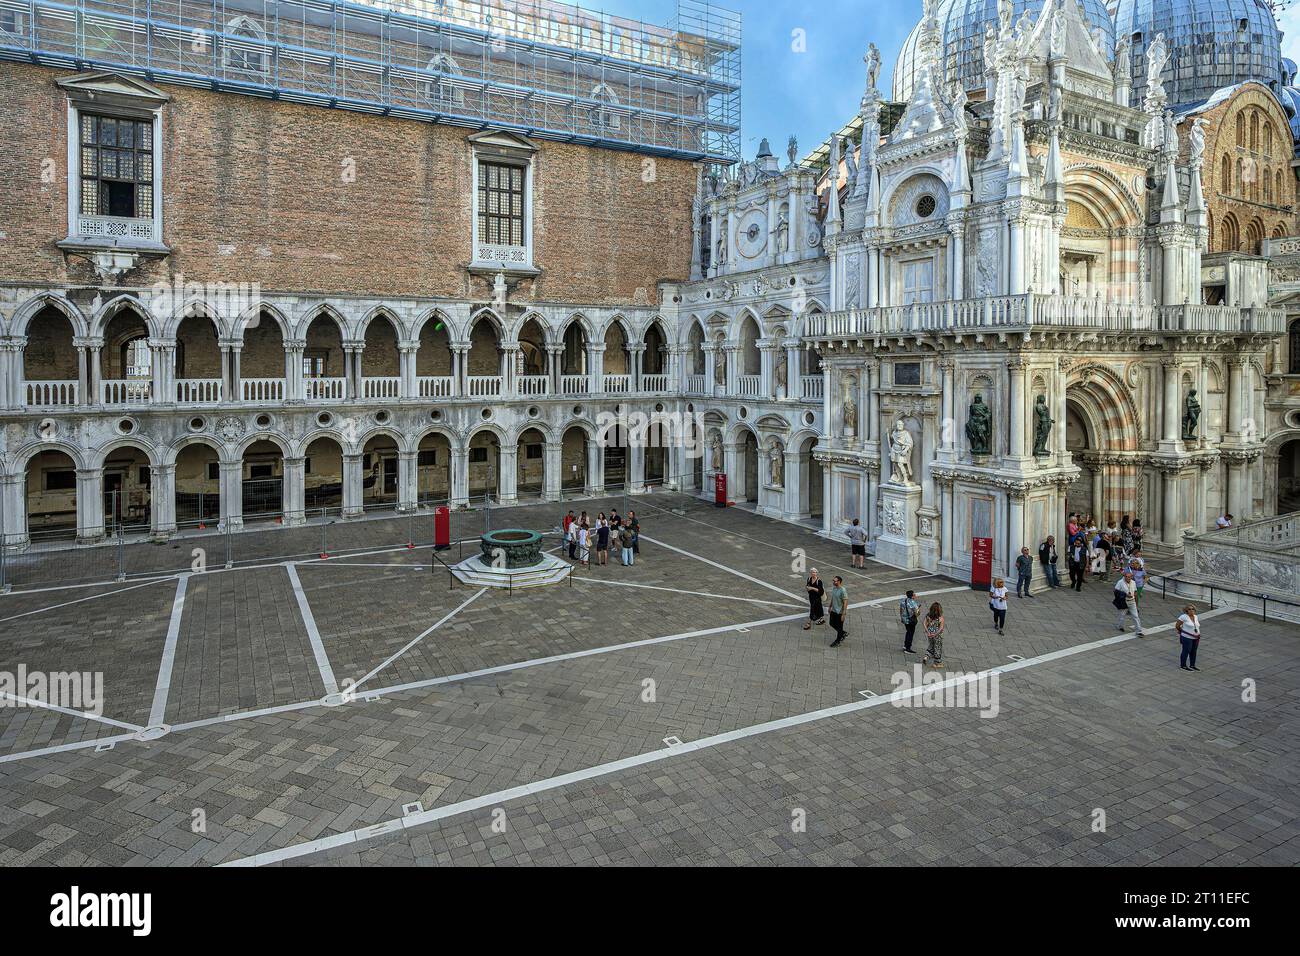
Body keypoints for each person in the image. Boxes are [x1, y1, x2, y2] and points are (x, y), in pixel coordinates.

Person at [1113, 570, 1143, 636]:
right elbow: (1115, 591)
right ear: (1124, 576)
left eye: (1129, 577)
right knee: (1122, 616)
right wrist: (1125, 595)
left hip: (1132, 602)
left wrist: (1137, 595)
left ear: (1131, 577)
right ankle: (1120, 626)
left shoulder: (1134, 582)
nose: (1128, 578)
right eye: (1126, 577)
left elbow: (1135, 591)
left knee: (1136, 616)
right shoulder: (1120, 582)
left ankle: (1139, 631)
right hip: (1124, 602)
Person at [1175, 604, 1201, 670]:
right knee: (1186, 651)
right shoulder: (1183, 617)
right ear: (1186, 610)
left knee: (1194, 651)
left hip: (1196, 638)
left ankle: (1192, 665)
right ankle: (1183, 665)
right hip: (1187, 637)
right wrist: (1181, 631)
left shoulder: (1196, 617)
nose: (1191, 610)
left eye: (1193, 609)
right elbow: (1177, 626)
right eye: (1189, 609)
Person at [827, 575, 848, 647]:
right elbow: (833, 598)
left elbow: (845, 601)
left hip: (840, 612)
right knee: (831, 623)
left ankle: (838, 641)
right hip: (834, 610)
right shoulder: (834, 588)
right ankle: (842, 633)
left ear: (839, 581)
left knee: (839, 627)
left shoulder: (843, 590)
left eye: (835, 581)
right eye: (833, 580)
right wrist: (830, 606)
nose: (833, 582)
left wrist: (844, 613)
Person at [922, 603, 945, 668]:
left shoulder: (928, 615)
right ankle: (937, 663)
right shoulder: (940, 618)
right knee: (937, 648)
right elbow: (941, 628)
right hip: (937, 635)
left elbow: (924, 623)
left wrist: (927, 631)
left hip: (929, 634)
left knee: (931, 645)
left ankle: (926, 656)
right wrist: (935, 634)